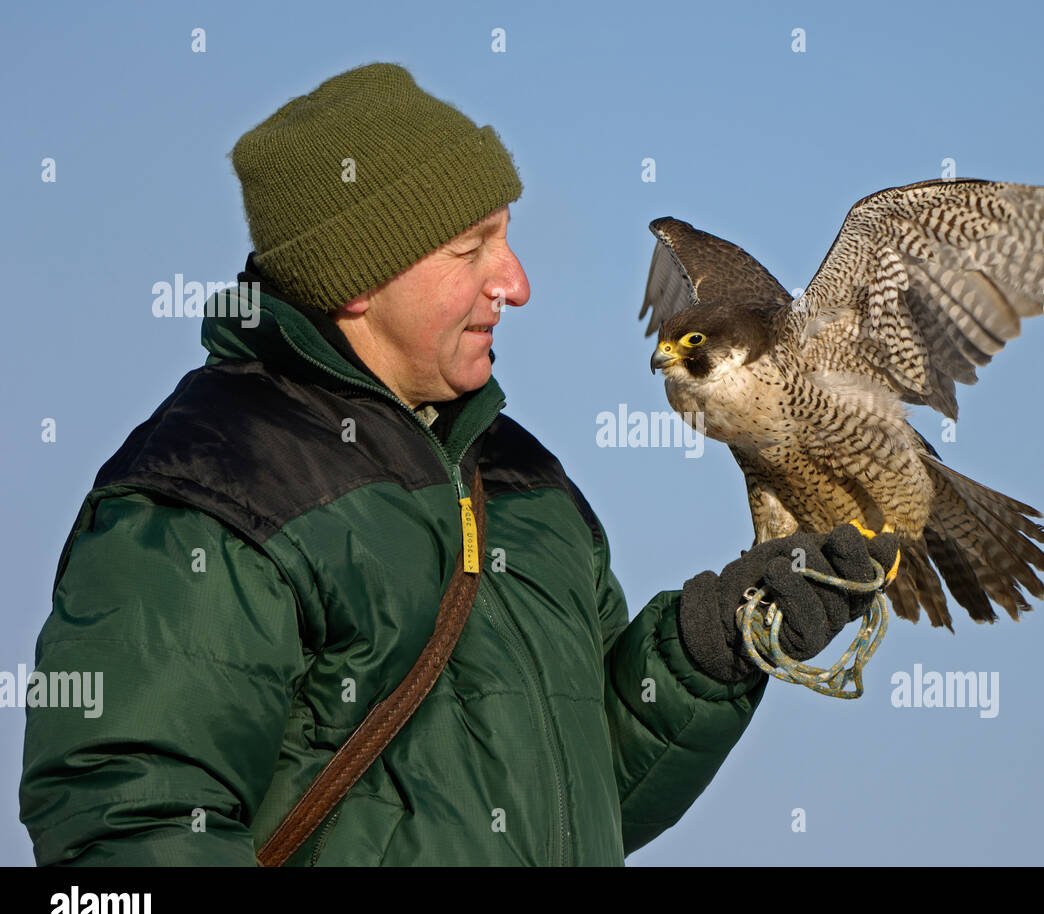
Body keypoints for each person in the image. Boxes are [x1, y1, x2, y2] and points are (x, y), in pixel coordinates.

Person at [19, 62, 893, 866]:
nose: (515, 282)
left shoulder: (525, 485)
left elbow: (578, 799)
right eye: (471, 248)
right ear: (361, 278)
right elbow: (125, 831)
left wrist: (704, 655)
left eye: (506, 239)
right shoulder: (211, 493)